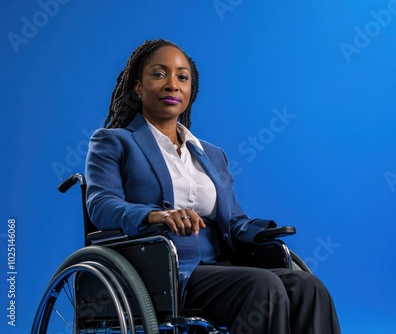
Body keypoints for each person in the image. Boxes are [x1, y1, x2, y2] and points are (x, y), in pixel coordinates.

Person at [85, 38, 341, 333]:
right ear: (138, 87)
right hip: (163, 272)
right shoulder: (114, 141)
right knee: (264, 287)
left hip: (221, 266)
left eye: (182, 77)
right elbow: (101, 206)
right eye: (159, 74)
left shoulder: (211, 154)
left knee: (307, 287)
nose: (172, 85)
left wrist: (264, 232)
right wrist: (156, 215)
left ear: (191, 91)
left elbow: (234, 220)